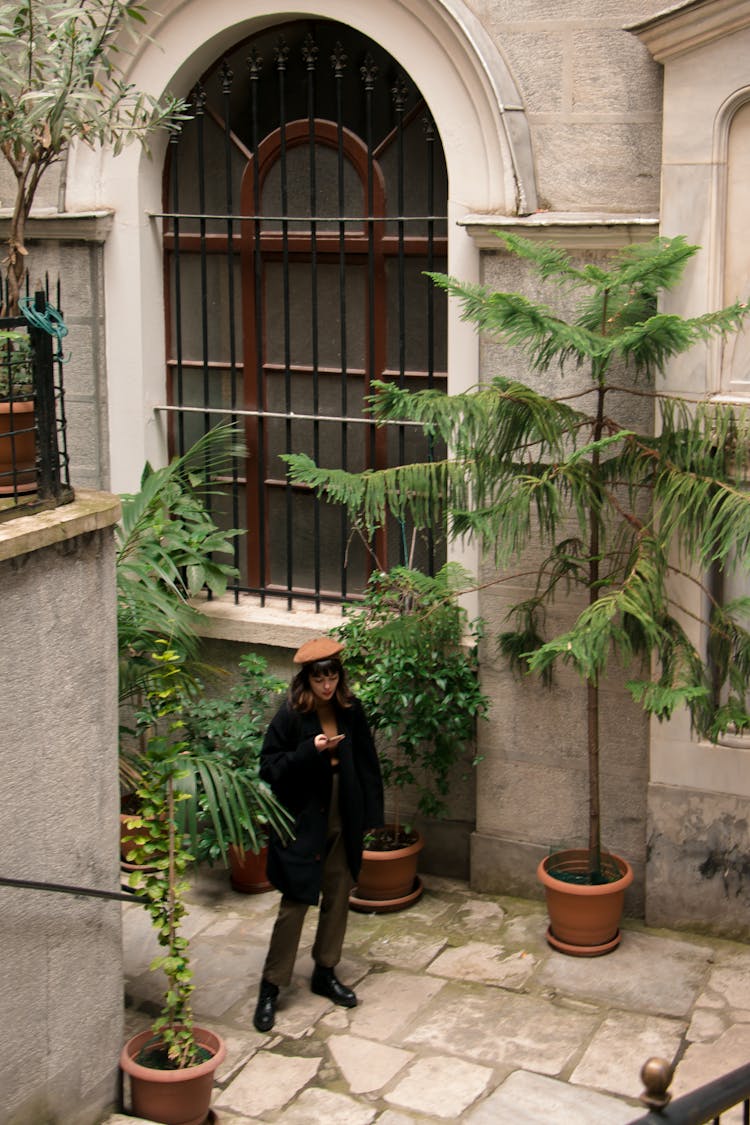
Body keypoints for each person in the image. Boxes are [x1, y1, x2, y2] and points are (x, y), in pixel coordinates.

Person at [253, 636, 384, 1033]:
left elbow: (366, 762)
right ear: (306, 679)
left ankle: (325, 971)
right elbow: (269, 767)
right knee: (295, 901)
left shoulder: (350, 708)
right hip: (303, 819)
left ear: (339, 677)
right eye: (318, 678)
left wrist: (370, 816)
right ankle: (271, 986)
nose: (326, 685)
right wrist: (310, 750)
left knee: (339, 893)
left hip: (343, 811)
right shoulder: (292, 715)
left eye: (331, 677)